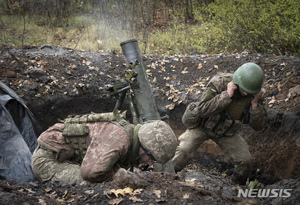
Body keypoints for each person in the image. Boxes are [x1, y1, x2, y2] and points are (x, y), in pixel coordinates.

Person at [172, 62, 267, 184]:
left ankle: (236, 185)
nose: (247, 94)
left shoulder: (256, 94)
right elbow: (203, 110)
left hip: (227, 132)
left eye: (250, 91)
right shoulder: (219, 82)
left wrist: (255, 106)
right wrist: (226, 96)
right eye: (245, 90)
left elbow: (259, 126)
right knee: (184, 150)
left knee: (245, 160)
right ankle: (167, 175)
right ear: (237, 82)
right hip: (203, 126)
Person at [32, 111, 178, 184]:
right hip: (48, 159)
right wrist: (120, 176)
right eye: (151, 158)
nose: (150, 164)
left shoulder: (129, 135)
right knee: (91, 184)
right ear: (143, 145)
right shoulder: (119, 139)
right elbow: (90, 173)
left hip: (70, 158)